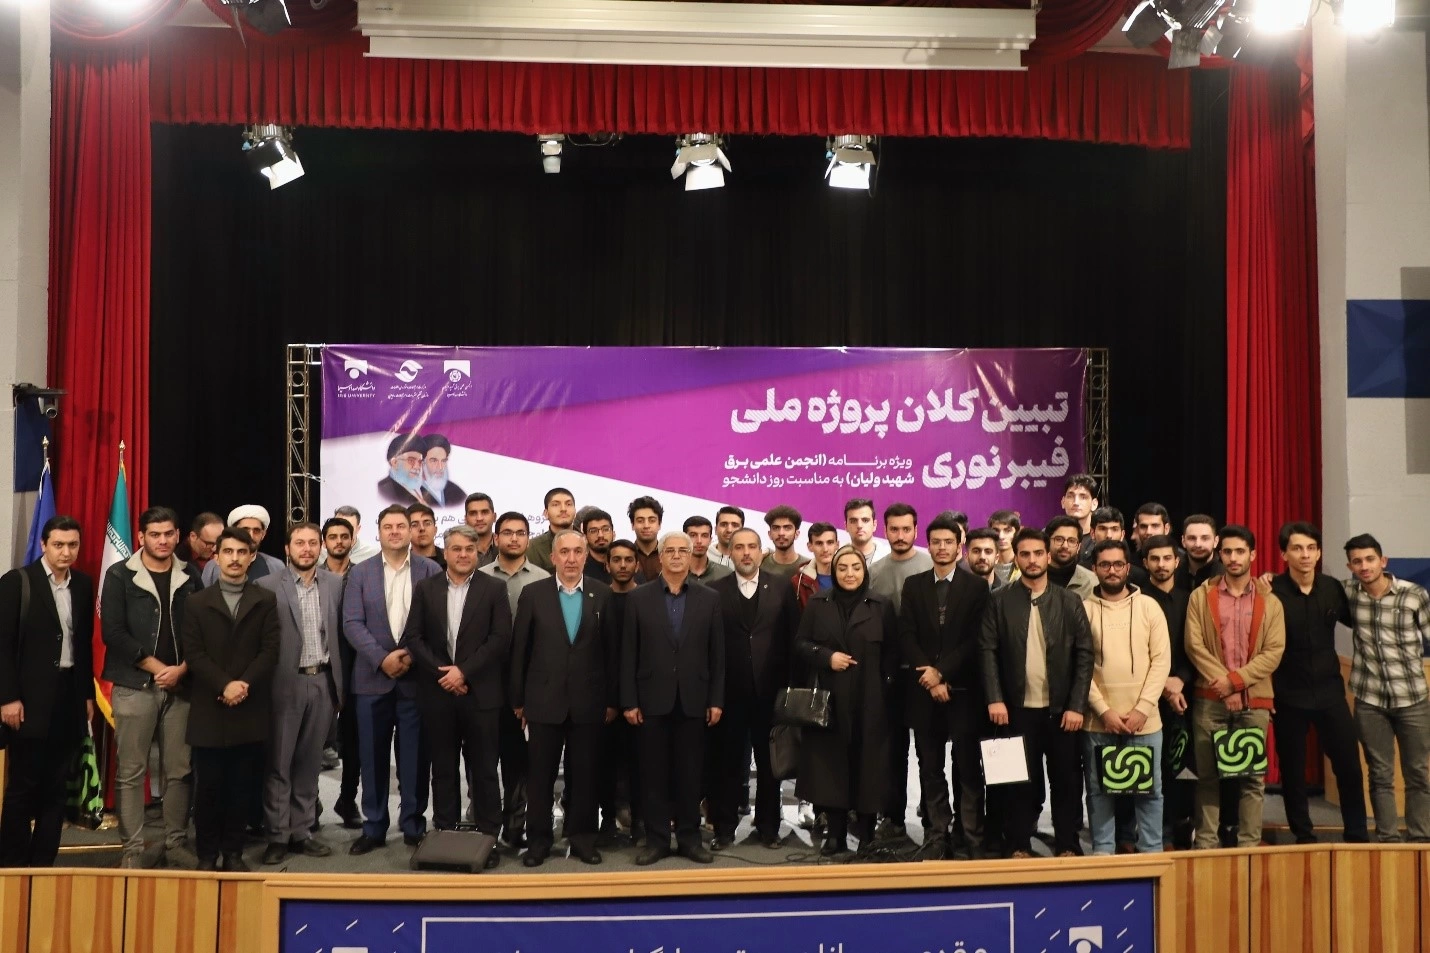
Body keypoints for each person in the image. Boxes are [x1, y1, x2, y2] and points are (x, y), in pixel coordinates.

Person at [980, 527, 1094, 857]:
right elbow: (987, 650)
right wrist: (995, 698)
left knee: (1066, 782)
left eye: (1038, 553)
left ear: (1047, 556)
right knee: (1018, 782)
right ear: (1015, 558)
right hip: (1015, 710)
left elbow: (1085, 654)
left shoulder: (1069, 601)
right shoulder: (999, 600)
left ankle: (1068, 844)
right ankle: (1018, 844)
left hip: (1062, 711)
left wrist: (1076, 705)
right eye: (1025, 554)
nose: (1032, 560)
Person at [101, 505, 204, 869]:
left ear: (178, 536)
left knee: (179, 770)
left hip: (182, 686)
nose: (162, 541)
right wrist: (161, 669)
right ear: (141, 536)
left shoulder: (190, 575)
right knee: (131, 771)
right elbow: (113, 633)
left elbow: (201, 630)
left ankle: (175, 844)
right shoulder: (119, 575)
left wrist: (183, 669)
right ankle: (132, 850)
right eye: (155, 534)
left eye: (168, 534)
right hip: (134, 685)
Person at [402, 526, 511, 866]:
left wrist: (463, 672)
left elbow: (500, 638)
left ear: (478, 552)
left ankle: (488, 839)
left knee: (485, 771)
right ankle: (445, 836)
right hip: (439, 695)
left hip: (481, 695)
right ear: (445, 552)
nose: (463, 554)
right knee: (443, 770)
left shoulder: (494, 588)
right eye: (456, 549)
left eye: (469, 549)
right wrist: (445, 675)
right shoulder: (426, 588)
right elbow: (414, 637)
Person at [510, 529, 616, 866]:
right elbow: (520, 651)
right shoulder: (533, 594)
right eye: (564, 552)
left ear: (586, 556)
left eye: (577, 552)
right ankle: (539, 842)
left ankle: (582, 838)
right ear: (553, 557)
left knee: (584, 775)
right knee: (540, 777)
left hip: (589, 701)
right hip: (543, 701)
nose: (571, 559)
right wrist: (518, 700)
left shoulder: (602, 594)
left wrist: (612, 701)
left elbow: (612, 653)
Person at [342, 504, 442, 854]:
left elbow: (436, 623)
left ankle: (413, 823)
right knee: (372, 757)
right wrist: (381, 658)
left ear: (412, 531)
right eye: (389, 526)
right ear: (379, 531)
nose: (396, 532)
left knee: (415, 757)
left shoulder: (430, 570)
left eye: (402, 526)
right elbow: (352, 623)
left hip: (416, 680)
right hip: (372, 679)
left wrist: (411, 655)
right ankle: (374, 826)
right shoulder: (360, 572)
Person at [621, 531, 725, 865]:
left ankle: (690, 839)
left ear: (692, 555)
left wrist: (716, 699)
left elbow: (717, 655)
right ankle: (657, 841)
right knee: (653, 775)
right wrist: (629, 701)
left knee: (690, 776)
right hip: (650, 701)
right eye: (671, 550)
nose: (677, 555)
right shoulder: (638, 598)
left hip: (695, 700)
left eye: (683, 550)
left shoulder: (710, 598)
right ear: (660, 556)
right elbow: (628, 654)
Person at [182, 526, 281, 871]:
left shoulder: (265, 600)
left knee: (241, 788)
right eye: (228, 552)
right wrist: (224, 685)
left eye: (242, 552)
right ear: (216, 556)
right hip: (210, 707)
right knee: (208, 788)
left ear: (252, 557)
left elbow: (270, 651)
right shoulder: (196, 602)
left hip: (249, 705)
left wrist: (243, 685)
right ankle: (207, 855)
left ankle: (234, 854)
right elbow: (194, 654)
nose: (235, 559)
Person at [0, 516, 95, 868]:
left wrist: (86, 694)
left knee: (56, 787)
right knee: (23, 787)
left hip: (69, 697)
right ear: (43, 545)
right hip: (27, 701)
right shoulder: (17, 582)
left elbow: (82, 645)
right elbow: (2, 645)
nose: (66, 552)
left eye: (72, 545)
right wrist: (8, 697)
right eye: (58, 545)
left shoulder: (82, 585)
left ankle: (43, 864)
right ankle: (12, 865)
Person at [794, 544, 899, 856]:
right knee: (831, 768)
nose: (849, 574)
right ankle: (835, 834)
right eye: (842, 568)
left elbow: (893, 655)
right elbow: (800, 644)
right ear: (834, 571)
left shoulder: (881, 605)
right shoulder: (818, 603)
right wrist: (826, 657)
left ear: (864, 571)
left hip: (871, 701)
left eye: (855, 567)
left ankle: (866, 835)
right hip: (831, 700)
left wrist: (886, 693)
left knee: (869, 769)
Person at [1185, 525, 1285, 849]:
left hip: (1254, 702)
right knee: (1207, 777)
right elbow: (1194, 646)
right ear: (1220, 554)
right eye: (1227, 551)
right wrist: (1226, 686)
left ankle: (1248, 846)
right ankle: (1205, 845)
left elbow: (1273, 652)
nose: (1233, 558)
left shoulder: (1271, 602)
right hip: (1209, 699)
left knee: (1252, 780)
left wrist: (1235, 683)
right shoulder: (1201, 597)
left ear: (1252, 555)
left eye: (1240, 551)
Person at [898, 513, 991, 859]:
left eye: (948, 542)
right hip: (924, 691)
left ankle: (971, 837)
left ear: (959, 546)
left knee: (968, 769)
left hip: (962, 691)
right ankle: (936, 835)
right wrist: (930, 677)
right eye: (936, 542)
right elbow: (906, 634)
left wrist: (942, 673)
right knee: (930, 767)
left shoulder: (976, 587)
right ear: (928, 544)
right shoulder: (914, 584)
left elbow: (974, 639)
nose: (941, 547)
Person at [1268, 522, 1367, 844]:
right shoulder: (1271, 591)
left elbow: (1361, 621)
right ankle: (1303, 836)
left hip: (1330, 692)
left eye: (1311, 548)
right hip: (1288, 695)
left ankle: (1357, 834)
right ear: (1284, 554)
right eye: (1297, 548)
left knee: (1349, 766)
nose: (1305, 555)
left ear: (1319, 552)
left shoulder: (1332, 588)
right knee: (1293, 771)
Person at [257, 523, 344, 864]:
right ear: (287, 548)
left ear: (320, 547)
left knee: (310, 763)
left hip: (322, 682)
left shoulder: (335, 584)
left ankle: (302, 830)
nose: (306, 549)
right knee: (279, 762)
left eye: (312, 543)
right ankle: (277, 835)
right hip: (284, 683)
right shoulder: (267, 586)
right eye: (299, 543)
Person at [708, 528, 799, 850]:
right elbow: (710, 647)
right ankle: (723, 829)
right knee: (728, 765)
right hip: (729, 695)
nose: (746, 553)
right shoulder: (714, 591)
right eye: (739, 547)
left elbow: (793, 639)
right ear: (730, 552)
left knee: (770, 765)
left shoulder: (781, 587)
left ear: (762, 551)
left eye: (752, 547)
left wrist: (790, 689)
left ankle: (768, 827)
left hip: (771, 694)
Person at [1082, 539, 1171, 855]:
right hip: (1099, 721)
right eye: (1105, 564)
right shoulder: (1083, 609)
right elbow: (1080, 667)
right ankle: (1103, 852)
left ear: (1128, 567)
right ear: (1095, 569)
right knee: (1099, 792)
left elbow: (1161, 661)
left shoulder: (1149, 607)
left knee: (1150, 792)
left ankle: (1151, 851)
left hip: (1144, 721)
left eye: (1118, 564)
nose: (1112, 570)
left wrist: (1142, 709)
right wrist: (1103, 710)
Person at [1343, 533, 1430, 843]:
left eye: (1370, 559)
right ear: (1350, 567)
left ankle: (1420, 840)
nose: (1364, 566)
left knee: (1417, 773)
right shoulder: (1349, 594)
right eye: (1357, 561)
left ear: (1383, 561)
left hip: (1412, 698)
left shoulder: (1414, 595)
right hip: (1370, 700)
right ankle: (1388, 840)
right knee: (1379, 775)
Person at [480, 511, 550, 848]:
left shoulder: (543, 579)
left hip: (526, 683)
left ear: (528, 538)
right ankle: (485, 828)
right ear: (496, 538)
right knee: (483, 759)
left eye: (520, 533)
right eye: (507, 533)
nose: (514, 538)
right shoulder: (479, 577)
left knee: (519, 761)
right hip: (484, 681)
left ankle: (515, 827)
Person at [868, 502, 931, 841]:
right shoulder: (875, 571)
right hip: (890, 673)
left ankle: (934, 821)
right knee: (893, 752)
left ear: (916, 530)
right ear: (885, 530)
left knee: (928, 751)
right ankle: (893, 819)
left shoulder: (931, 564)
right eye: (894, 529)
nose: (901, 535)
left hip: (924, 672)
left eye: (907, 529)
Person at [1140, 534, 1197, 848]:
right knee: (1150, 768)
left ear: (1177, 561)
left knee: (1184, 767)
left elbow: (1198, 646)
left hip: (1186, 695)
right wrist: (1163, 685)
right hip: (1146, 696)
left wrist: (1180, 680)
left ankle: (1182, 831)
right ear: (1145, 562)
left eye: (1167, 558)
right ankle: (1149, 836)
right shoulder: (1136, 599)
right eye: (1154, 559)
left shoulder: (1192, 600)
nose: (1161, 565)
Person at [320, 516, 364, 829]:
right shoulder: (312, 574)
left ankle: (347, 800)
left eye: (344, 536)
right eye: (332, 536)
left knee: (353, 743)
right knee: (312, 743)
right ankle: (309, 806)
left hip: (355, 667)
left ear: (352, 540)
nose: (338, 541)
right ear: (325, 542)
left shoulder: (362, 575)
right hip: (319, 667)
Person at [201, 505, 287, 585]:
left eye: (256, 531)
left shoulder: (276, 566)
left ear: (263, 534)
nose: (251, 536)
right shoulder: (212, 567)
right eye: (245, 530)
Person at [1045, 516, 1097, 598]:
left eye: (1072, 541)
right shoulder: (1030, 578)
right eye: (1059, 539)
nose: (1065, 546)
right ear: (1046, 542)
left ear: (1078, 547)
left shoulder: (1092, 582)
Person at [377, 433, 435, 506]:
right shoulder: (384, 491)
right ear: (394, 462)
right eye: (411, 460)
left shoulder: (423, 490)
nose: (417, 467)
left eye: (420, 462)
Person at [527, 487, 576, 573]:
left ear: (575, 512)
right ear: (546, 513)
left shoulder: (588, 541)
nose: (563, 509)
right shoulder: (533, 547)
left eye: (568, 504)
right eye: (556, 505)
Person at [792, 522, 840, 609]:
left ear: (837, 545)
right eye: (819, 543)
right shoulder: (798, 582)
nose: (825, 549)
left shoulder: (850, 576)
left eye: (830, 542)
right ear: (809, 546)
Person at [761, 505, 810, 579]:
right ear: (769, 534)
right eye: (776, 528)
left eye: (787, 528)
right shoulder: (759, 564)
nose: (781, 533)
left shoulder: (809, 567)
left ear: (796, 534)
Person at [1176, 515, 1222, 593]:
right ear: (1183, 541)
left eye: (1205, 538)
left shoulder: (1226, 576)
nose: (1198, 544)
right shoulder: (1172, 573)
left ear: (1216, 541)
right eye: (1192, 538)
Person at [1060, 474, 1099, 563]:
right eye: (1070, 496)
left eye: (1083, 497)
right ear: (1063, 502)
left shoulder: (1103, 537)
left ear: (1094, 504)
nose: (1076, 502)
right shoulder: (1049, 534)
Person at [421, 434, 467, 507]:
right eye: (434, 460)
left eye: (443, 461)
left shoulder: (457, 492)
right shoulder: (407, 493)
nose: (440, 467)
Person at [683, 516, 733, 583]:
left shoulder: (726, 574)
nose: (699, 541)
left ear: (710, 540)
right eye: (693, 535)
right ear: (684, 539)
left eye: (704, 535)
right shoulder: (673, 572)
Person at [627, 496, 664, 582]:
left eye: (652, 520)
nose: (646, 526)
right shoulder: (625, 556)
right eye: (640, 521)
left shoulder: (668, 555)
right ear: (632, 525)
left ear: (659, 524)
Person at [844, 498, 890, 565]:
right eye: (853, 521)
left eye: (865, 520)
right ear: (846, 526)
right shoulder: (837, 559)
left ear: (874, 525)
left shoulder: (889, 556)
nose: (859, 525)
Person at [462, 493, 499, 568]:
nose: (479, 518)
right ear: (465, 519)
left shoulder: (505, 547)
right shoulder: (457, 551)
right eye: (473, 513)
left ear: (494, 517)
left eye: (484, 512)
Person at [581, 508, 616, 584]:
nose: (600, 535)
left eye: (605, 529)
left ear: (613, 534)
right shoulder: (580, 571)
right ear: (585, 537)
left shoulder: (624, 567)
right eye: (593, 531)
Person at [987, 510, 1021, 588]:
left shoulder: (1024, 564)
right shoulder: (985, 564)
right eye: (996, 530)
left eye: (1007, 531)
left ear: (1016, 533)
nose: (1001, 536)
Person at [407, 503, 445, 569]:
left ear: (435, 530)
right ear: (407, 532)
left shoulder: (450, 559)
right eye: (414, 525)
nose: (422, 528)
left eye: (427, 523)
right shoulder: (401, 564)